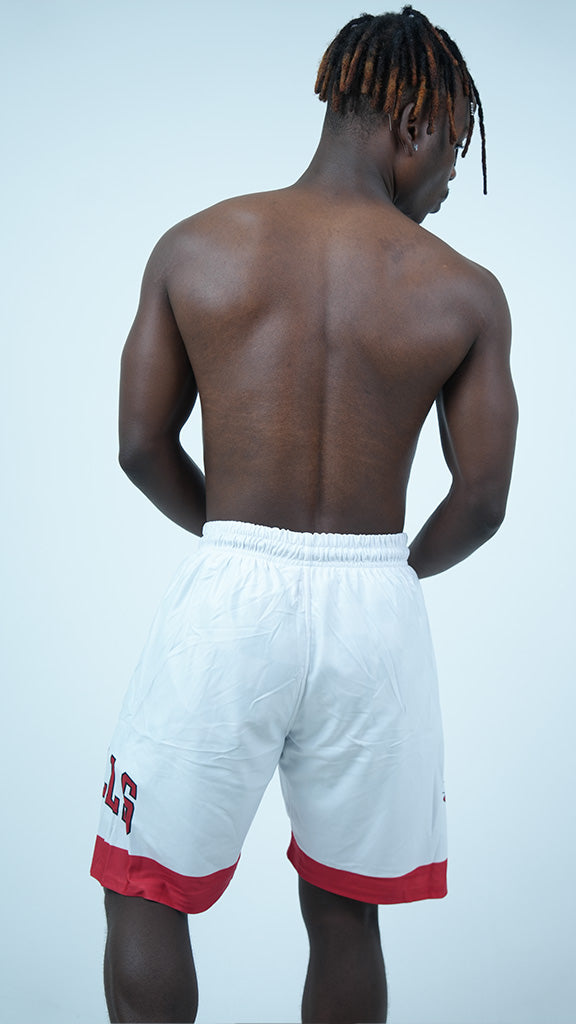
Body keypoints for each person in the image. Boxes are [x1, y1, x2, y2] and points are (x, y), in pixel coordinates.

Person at [90, 6, 518, 1022]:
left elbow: (141, 446)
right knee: (345, 907)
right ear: (411, 125)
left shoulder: (196, 246)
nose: (449, 180)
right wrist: (389, 574)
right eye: (454, 148)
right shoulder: (467, 294)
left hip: (229, 596)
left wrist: (239, 544)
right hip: (376, 612)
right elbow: (483, 499)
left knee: (144, 888)